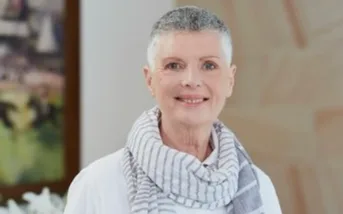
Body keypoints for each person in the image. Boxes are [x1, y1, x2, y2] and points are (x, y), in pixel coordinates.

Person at [63, 5, 282, 214]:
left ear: (230, 80)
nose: (191, 80)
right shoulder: (98, 183)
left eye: (209, 65)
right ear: (150, 80)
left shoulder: (259, 187)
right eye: (174, 65)